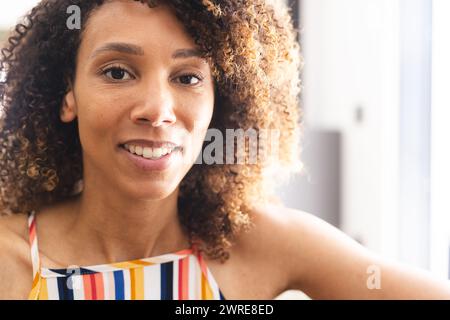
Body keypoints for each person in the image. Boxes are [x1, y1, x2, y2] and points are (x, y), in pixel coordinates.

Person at [0, 0, 449, 300]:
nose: (158, 111)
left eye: (188, 77)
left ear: (223, 102)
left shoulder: (259, 244)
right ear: (67, 95)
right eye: (118, 73)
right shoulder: (10, 258)